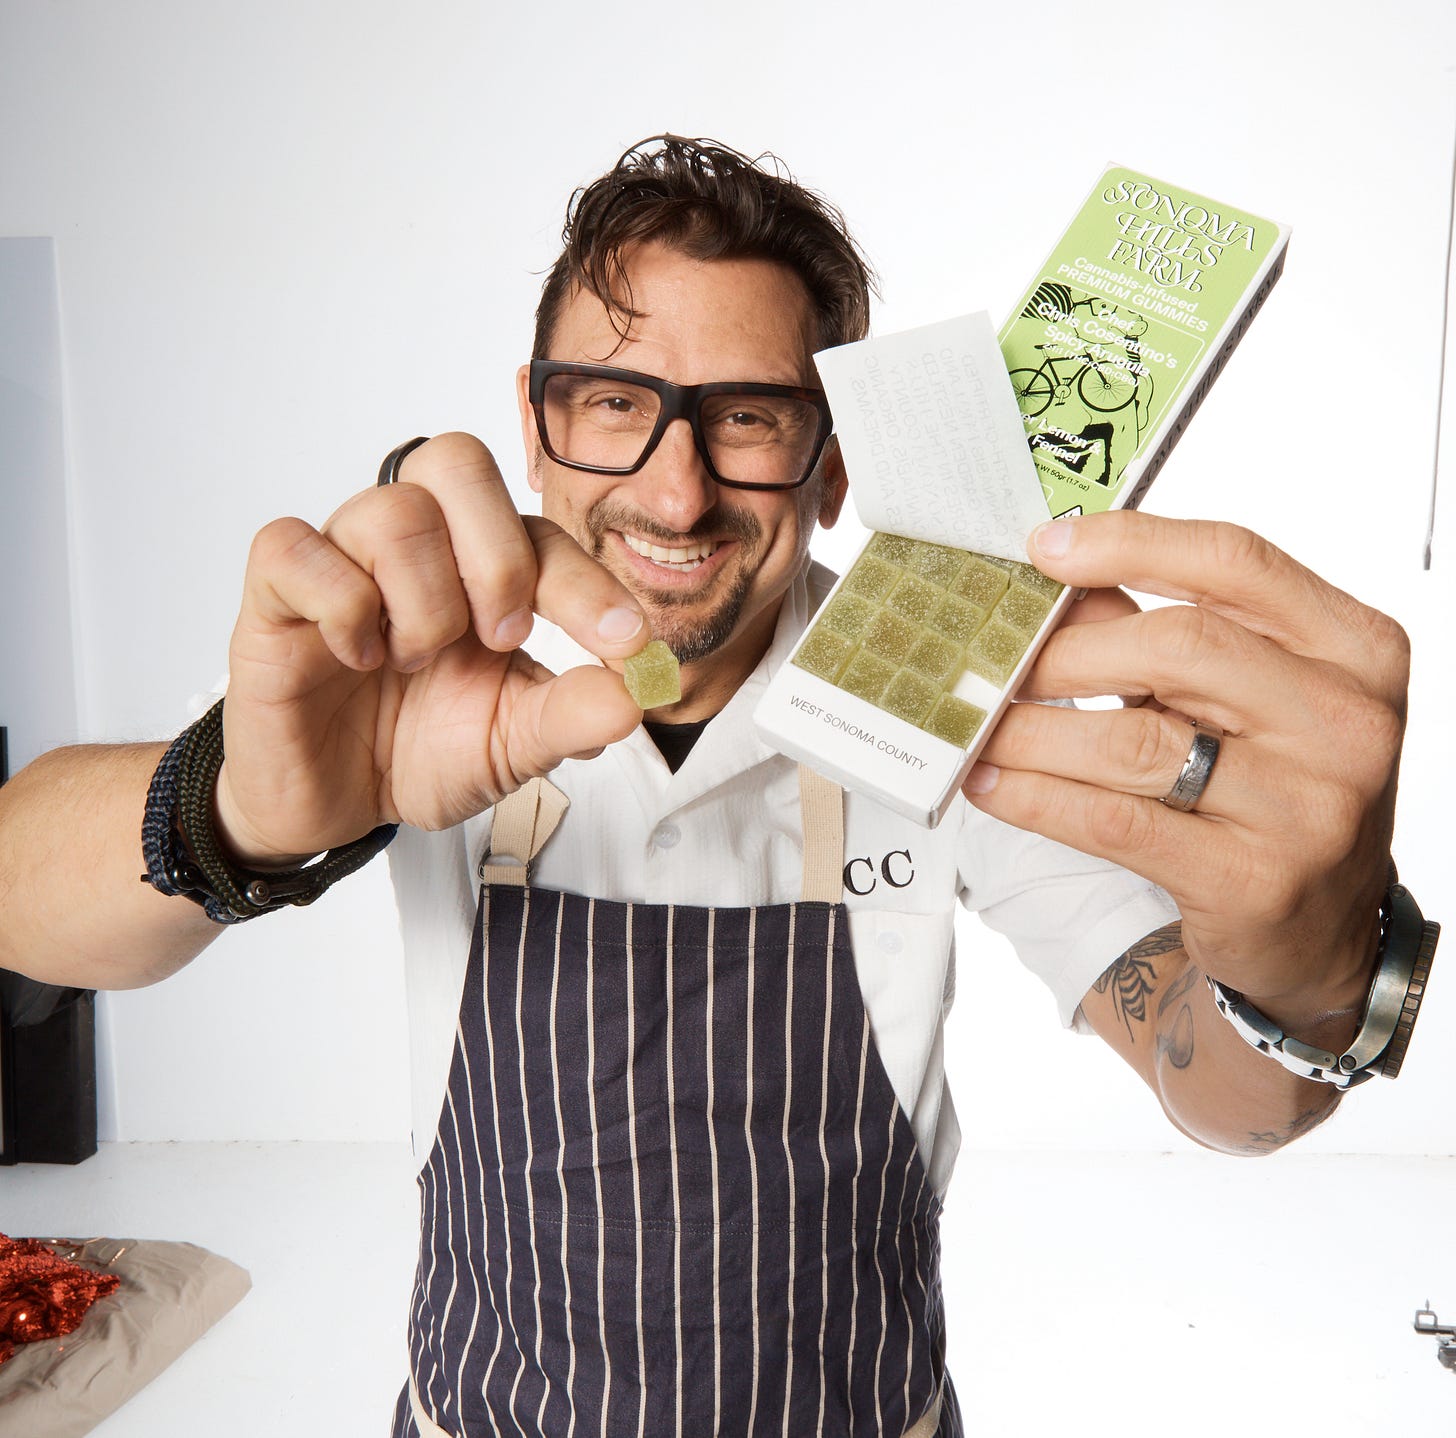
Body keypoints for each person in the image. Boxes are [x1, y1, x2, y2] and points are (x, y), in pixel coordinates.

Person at [0, 136, 1432, 1437]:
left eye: (748, 419)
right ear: (537, 416)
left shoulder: (936, 693)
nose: (675, 495)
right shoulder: (430, 656)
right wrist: (241, 816)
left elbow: (1225, 1085)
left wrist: (1310, 982)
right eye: (616, 402)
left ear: (831, 466)